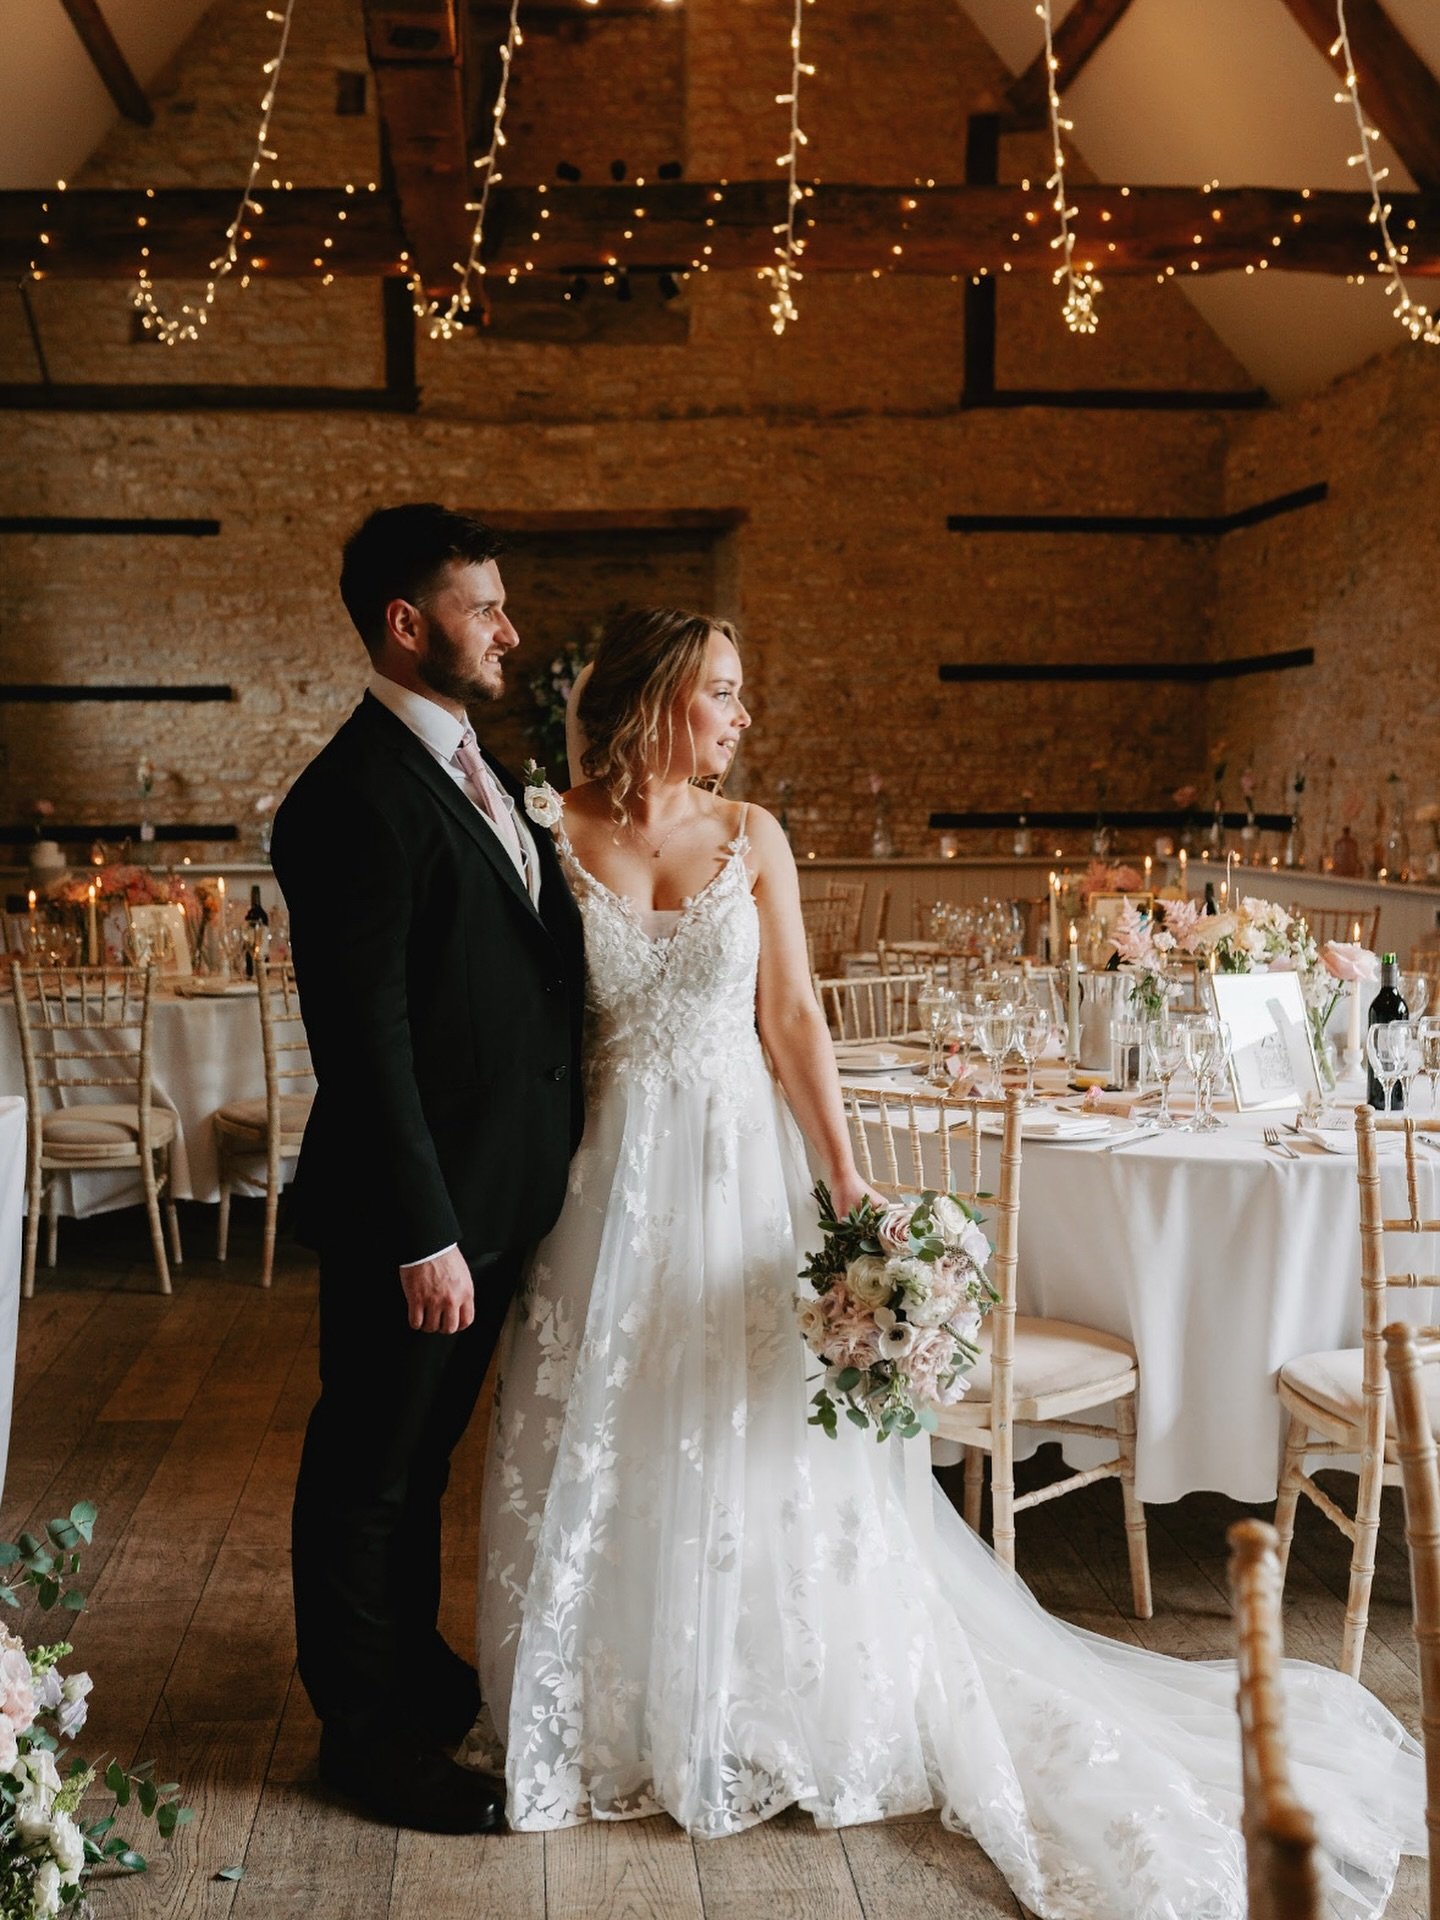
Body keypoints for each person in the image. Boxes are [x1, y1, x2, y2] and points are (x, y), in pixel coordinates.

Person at [472, 604, 1422, 1915]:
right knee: (617, 1417)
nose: (744, 716)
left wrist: (853, 1183)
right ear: (657, 698)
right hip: (603, 1178)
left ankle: (761, 1692)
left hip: (742, 1170)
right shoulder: (543, 832)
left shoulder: (754, 836)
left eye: (744, 693)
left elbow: (793, 1016)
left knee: (748, 1423)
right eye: (726, 692)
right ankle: (617, 1701)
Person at [270, 504, 585, 1834]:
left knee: (425, 1461)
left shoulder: (474, 761)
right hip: (423, 1217)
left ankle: (413, 1674)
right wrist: (422, 1233)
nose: (509, 631)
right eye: (483, 608)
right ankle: (366, 1740)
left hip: (499, 1195)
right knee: (371, 1470)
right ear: (408, 624)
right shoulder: (349, 798)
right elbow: (365, 1039)